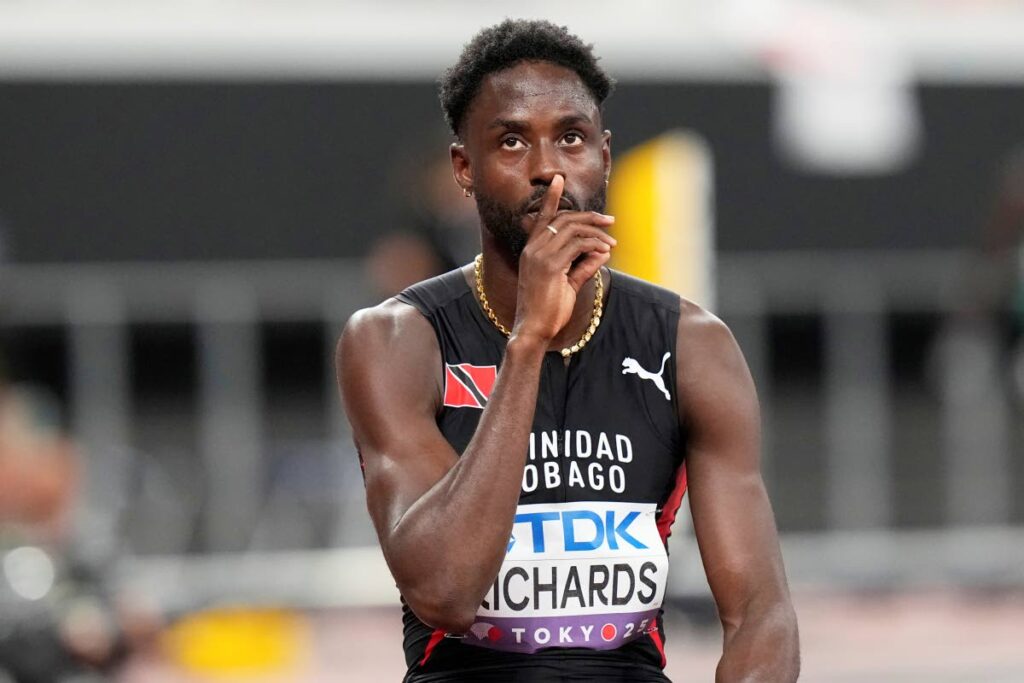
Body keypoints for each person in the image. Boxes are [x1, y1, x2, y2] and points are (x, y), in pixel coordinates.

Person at [337, 19, 799, 682]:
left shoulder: (691, 343)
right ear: (464, 169)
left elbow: (761, 613)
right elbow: (445, 592)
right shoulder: (396, 340)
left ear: (604, 157)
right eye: (512, 141)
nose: (547, 169)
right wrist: (527, 342)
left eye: (571, 138)